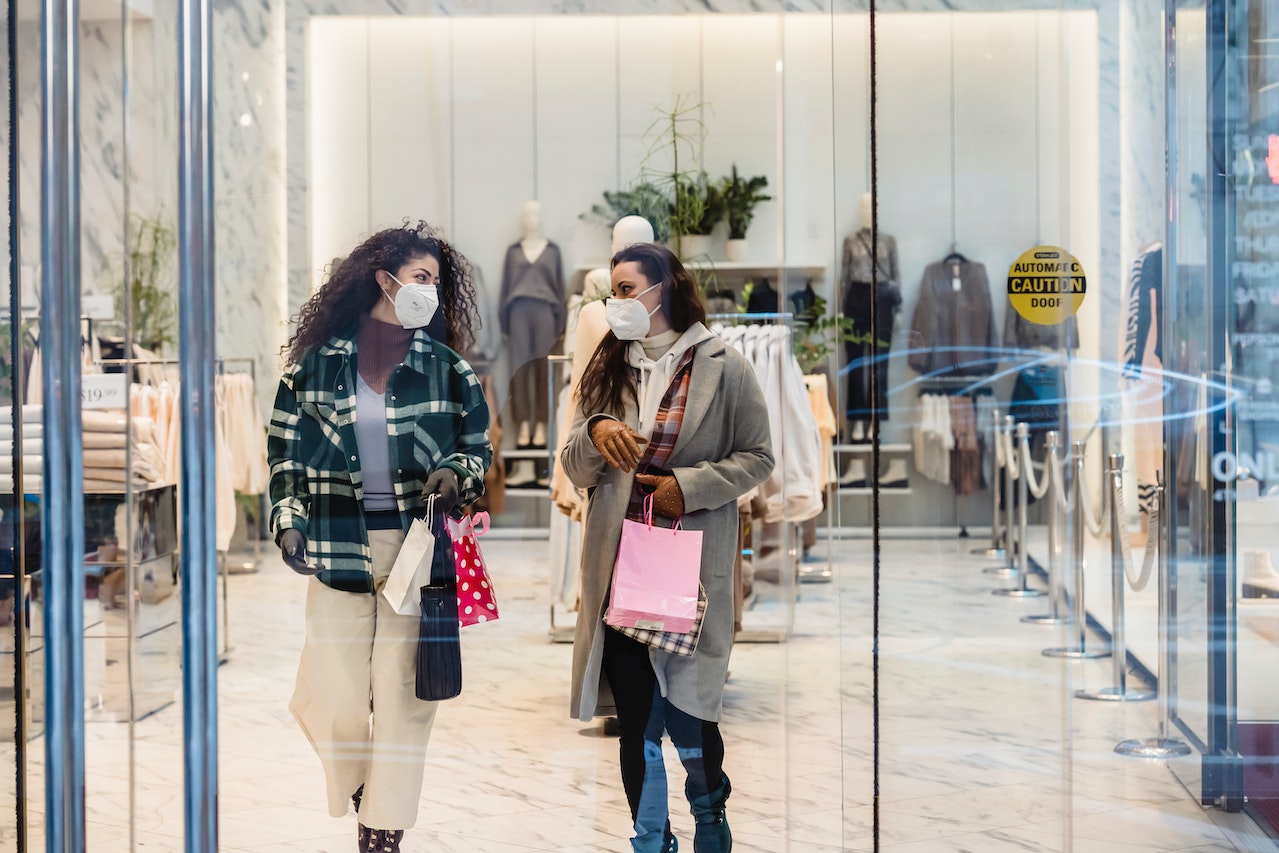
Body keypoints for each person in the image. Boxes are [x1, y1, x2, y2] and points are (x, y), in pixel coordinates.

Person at [268, 221, 491, 853]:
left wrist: (455, 476)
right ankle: (368, 788)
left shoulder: (448, 372)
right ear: (383, 280)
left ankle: (382, 828)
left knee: (401, 698)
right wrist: (288, 521)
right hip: (335, 542)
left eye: (437, 283)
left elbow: (476, 452)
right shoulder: (310, 372)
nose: (431, 293)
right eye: (421, 279)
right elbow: (283, 458)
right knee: (332, 695)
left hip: (414, 550)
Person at [561, 243, 774, 853]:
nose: (617, 303)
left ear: (663, 290)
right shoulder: (607, 366)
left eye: (628, 290)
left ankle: (710, 816)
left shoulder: (724, 365)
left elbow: (758, 456)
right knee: (637, 713)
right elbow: (574, 467)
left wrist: (690, 486)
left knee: (689, 709)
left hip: (691, 566)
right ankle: (650, 836)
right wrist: (596, 433)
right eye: (614, 291)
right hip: (619, 562)